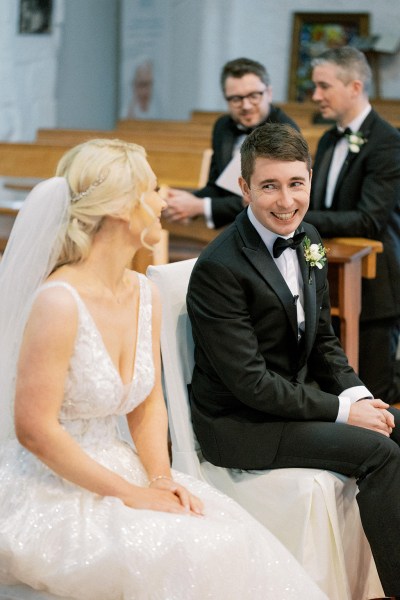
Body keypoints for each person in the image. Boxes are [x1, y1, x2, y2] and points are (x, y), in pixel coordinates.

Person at [0, 138, 326, 600]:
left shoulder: (142, 292)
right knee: (181, 552)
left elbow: (148, 401)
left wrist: (160, 479)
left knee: (231, 538)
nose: (163, 199)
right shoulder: (59, 301)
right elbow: (34, 430)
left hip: (126, 466)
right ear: (118, 208)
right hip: (55, 482)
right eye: (152, 188)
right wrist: (128, 495)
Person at [186, 123, 400, 599]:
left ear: (308, 176)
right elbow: (251, 385)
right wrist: (345, 413)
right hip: (241, 424)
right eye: (269, 186)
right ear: (244, 189)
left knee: (394, 422)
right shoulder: (220, 268)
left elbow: (324, 340)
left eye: (295, 184)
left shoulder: (308, 238)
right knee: (380, 452)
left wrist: (360, 396)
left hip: (290, 405)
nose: (286, 201)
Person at [306, 46, 400, 405]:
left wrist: (298, 214)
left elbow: (369, 220)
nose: (316, 96)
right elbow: (323, 203)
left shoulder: (388, 142)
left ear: (355, 87)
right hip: (332, 277)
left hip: (375, 284)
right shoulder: (330, 138)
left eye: (323, 86)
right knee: (338, 392)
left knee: (375, 394)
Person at [164, 57, 300, 228]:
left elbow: (268, 199)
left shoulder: (284, 131)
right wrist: (183, 202)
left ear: (269, 93)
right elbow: (217, 185)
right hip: (232, 223)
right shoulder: (223, 126)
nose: (246, 106)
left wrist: (199, 207)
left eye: (254, 96)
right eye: (236, 99)